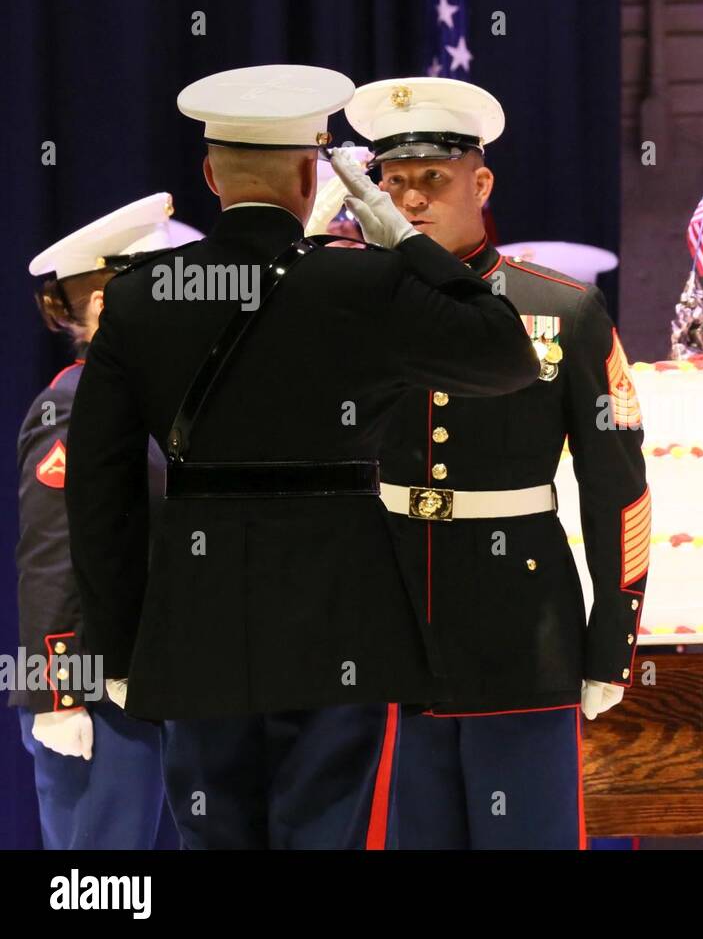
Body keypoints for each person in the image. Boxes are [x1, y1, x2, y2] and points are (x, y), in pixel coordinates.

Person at [63, 64, 537, 849]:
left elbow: (99, 490)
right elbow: (506, 356)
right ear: (314, 172)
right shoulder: (363, 282)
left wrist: (115, 641)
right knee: (322, 831)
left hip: (197, 611)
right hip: (340, 610)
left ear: (211, 175)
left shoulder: (144, 295)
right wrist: (402, 241)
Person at [344, 77, 648, 849]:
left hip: (523, 624)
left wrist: (613, 637)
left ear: (479, 183)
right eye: (394, 182)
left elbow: (616, 484)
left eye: (434, 181)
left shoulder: (559, 308)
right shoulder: (348, 306)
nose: (411, 200)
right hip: (388, 616)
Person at [15, 194, 195, 848]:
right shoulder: (73, 405)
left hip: (162, 680)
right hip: (91, 693)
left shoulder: (162, 398)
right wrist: (56, 695)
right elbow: (50, 556)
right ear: (103, 305)